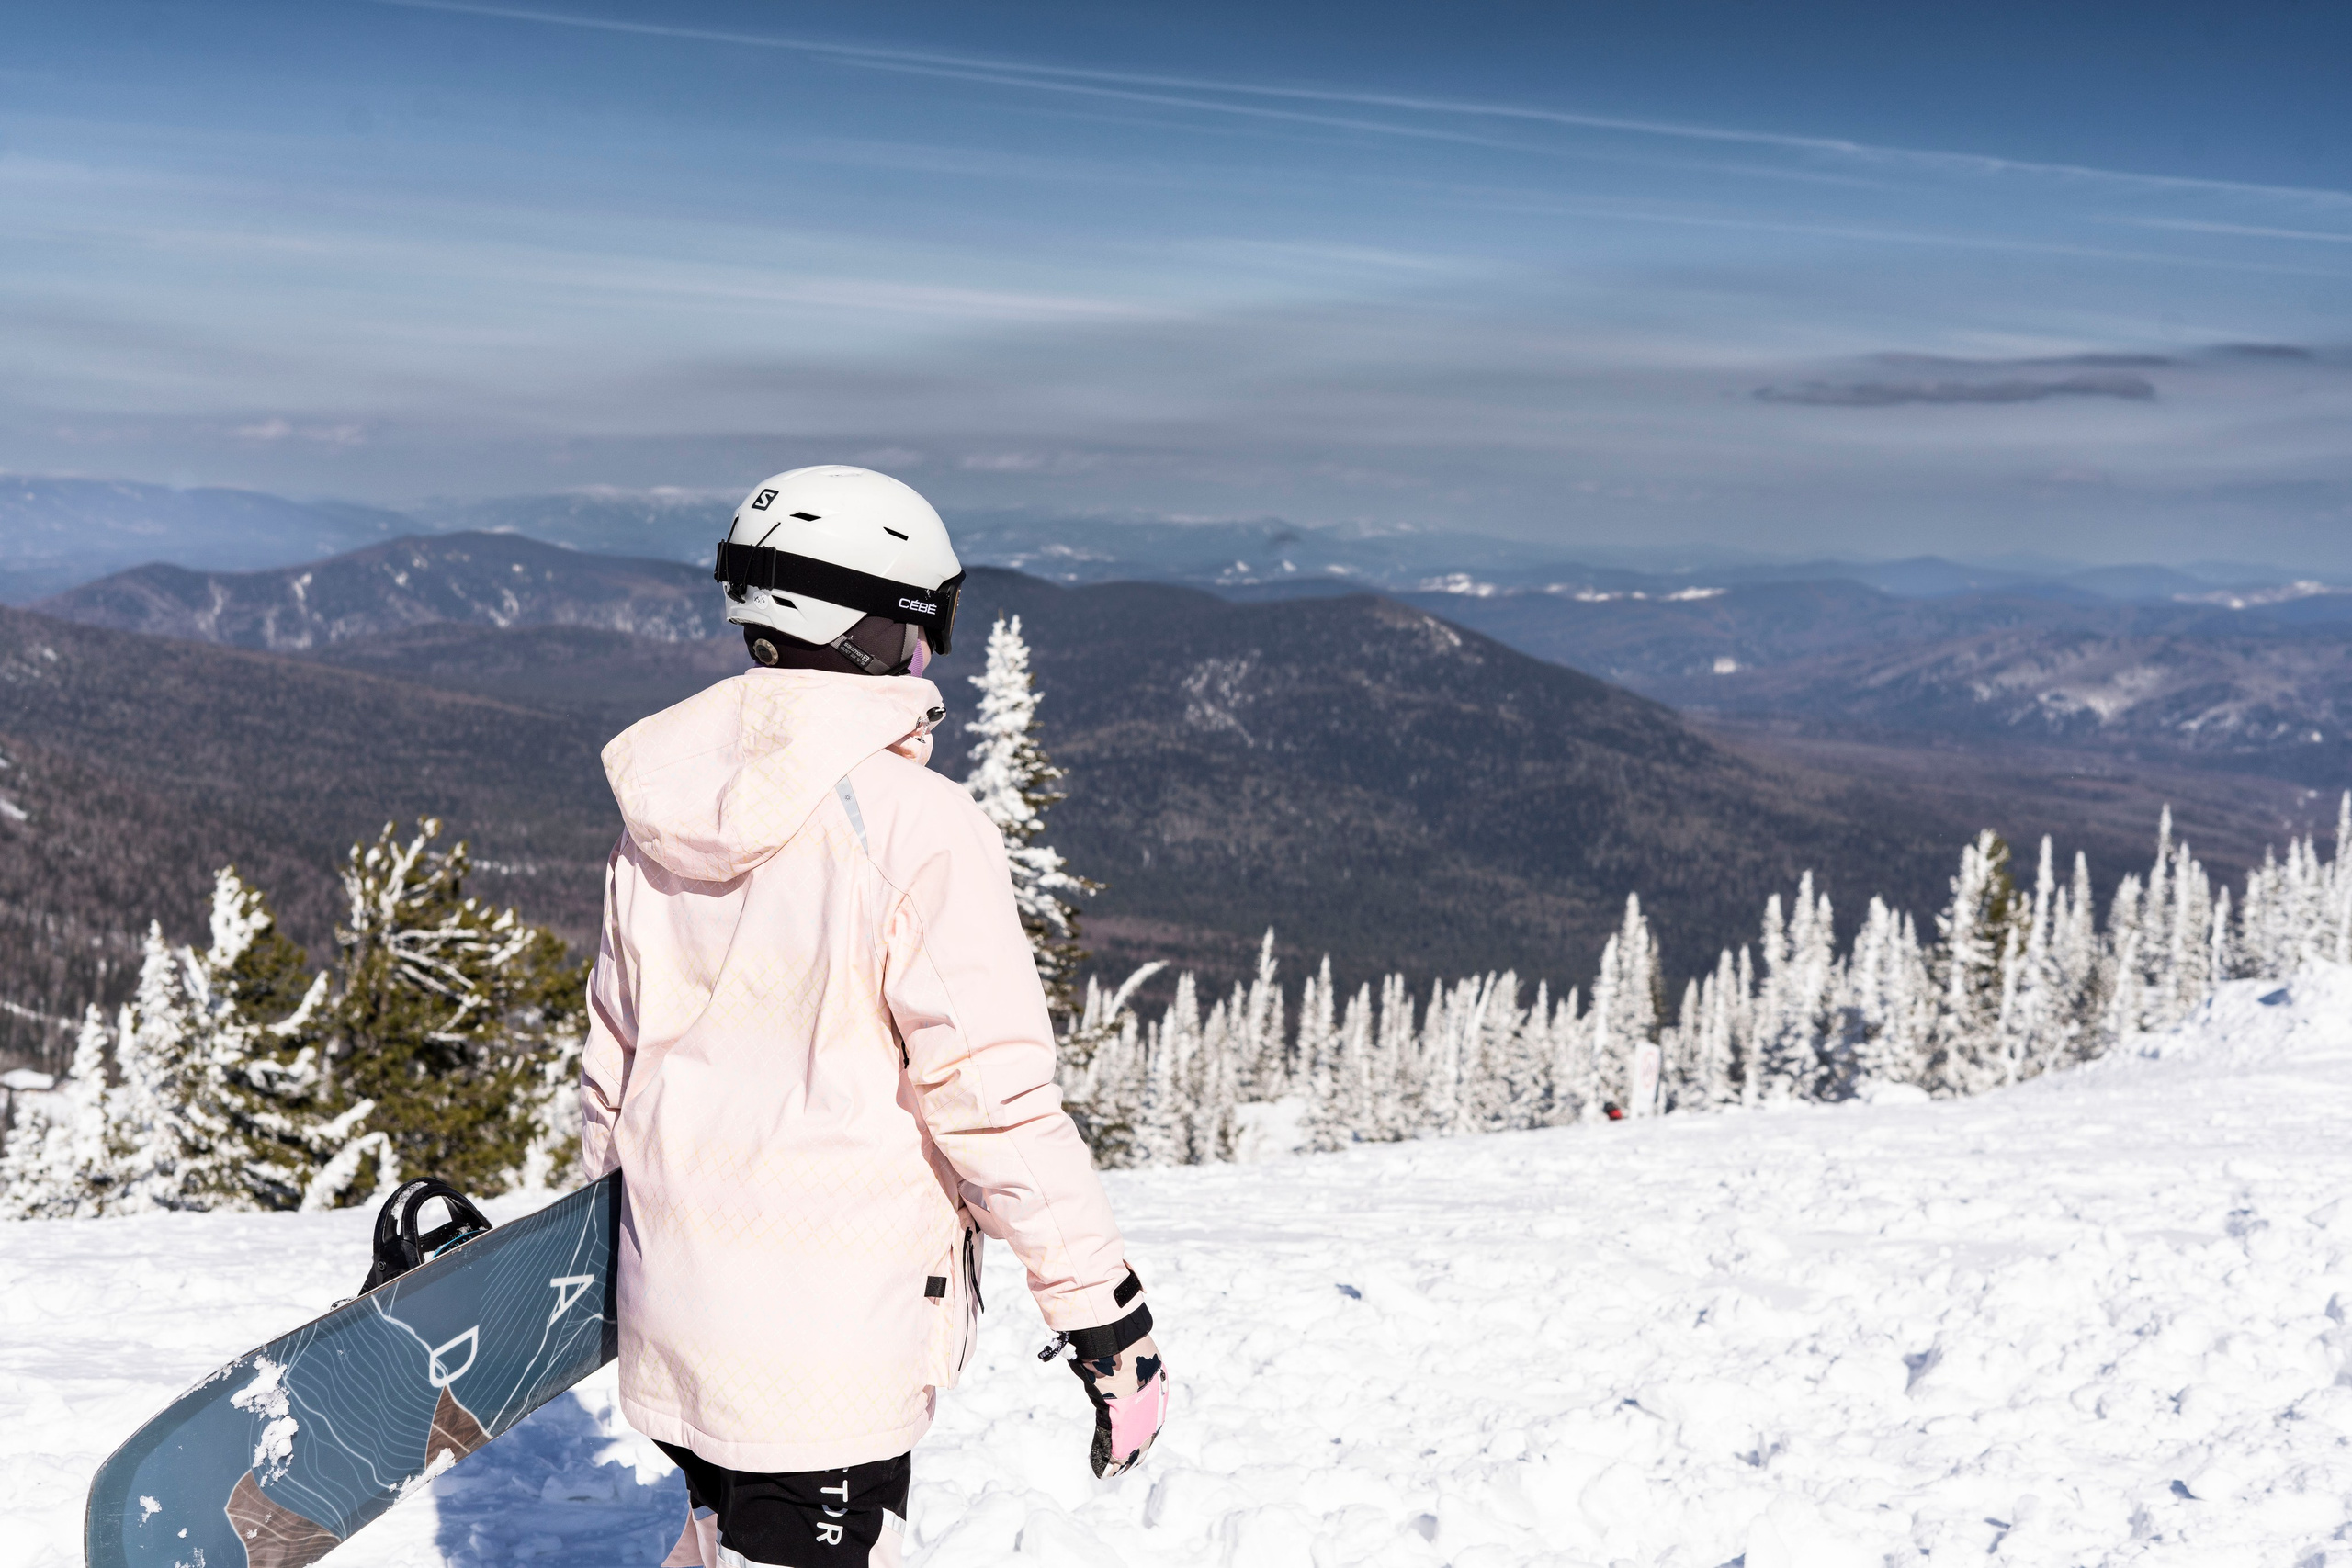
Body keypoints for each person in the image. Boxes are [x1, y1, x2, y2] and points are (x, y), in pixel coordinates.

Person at [578, 466, 1166, 1568]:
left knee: (721, 1539)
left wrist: (620, 1268)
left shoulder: (655, 819)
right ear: (869, 628)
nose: (933, 651)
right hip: (823, 1358)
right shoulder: (918, 829)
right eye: (925, 619)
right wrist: (1105, 1319)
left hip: (680, 1326)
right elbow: (993, 1103)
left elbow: (611, 1072)